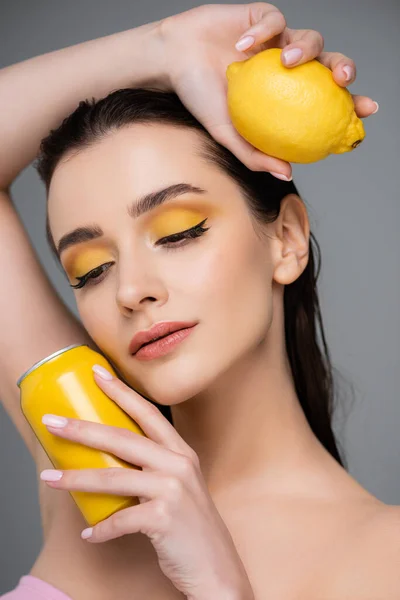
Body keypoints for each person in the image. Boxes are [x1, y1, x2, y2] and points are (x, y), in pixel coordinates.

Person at [0, 3, 395, 600]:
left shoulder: (386, 557)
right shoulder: (84, 455)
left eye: (179, 232)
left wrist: (222, 588)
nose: (132, 290)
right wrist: (163, 48)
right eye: (92, 269)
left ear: (285, 240)